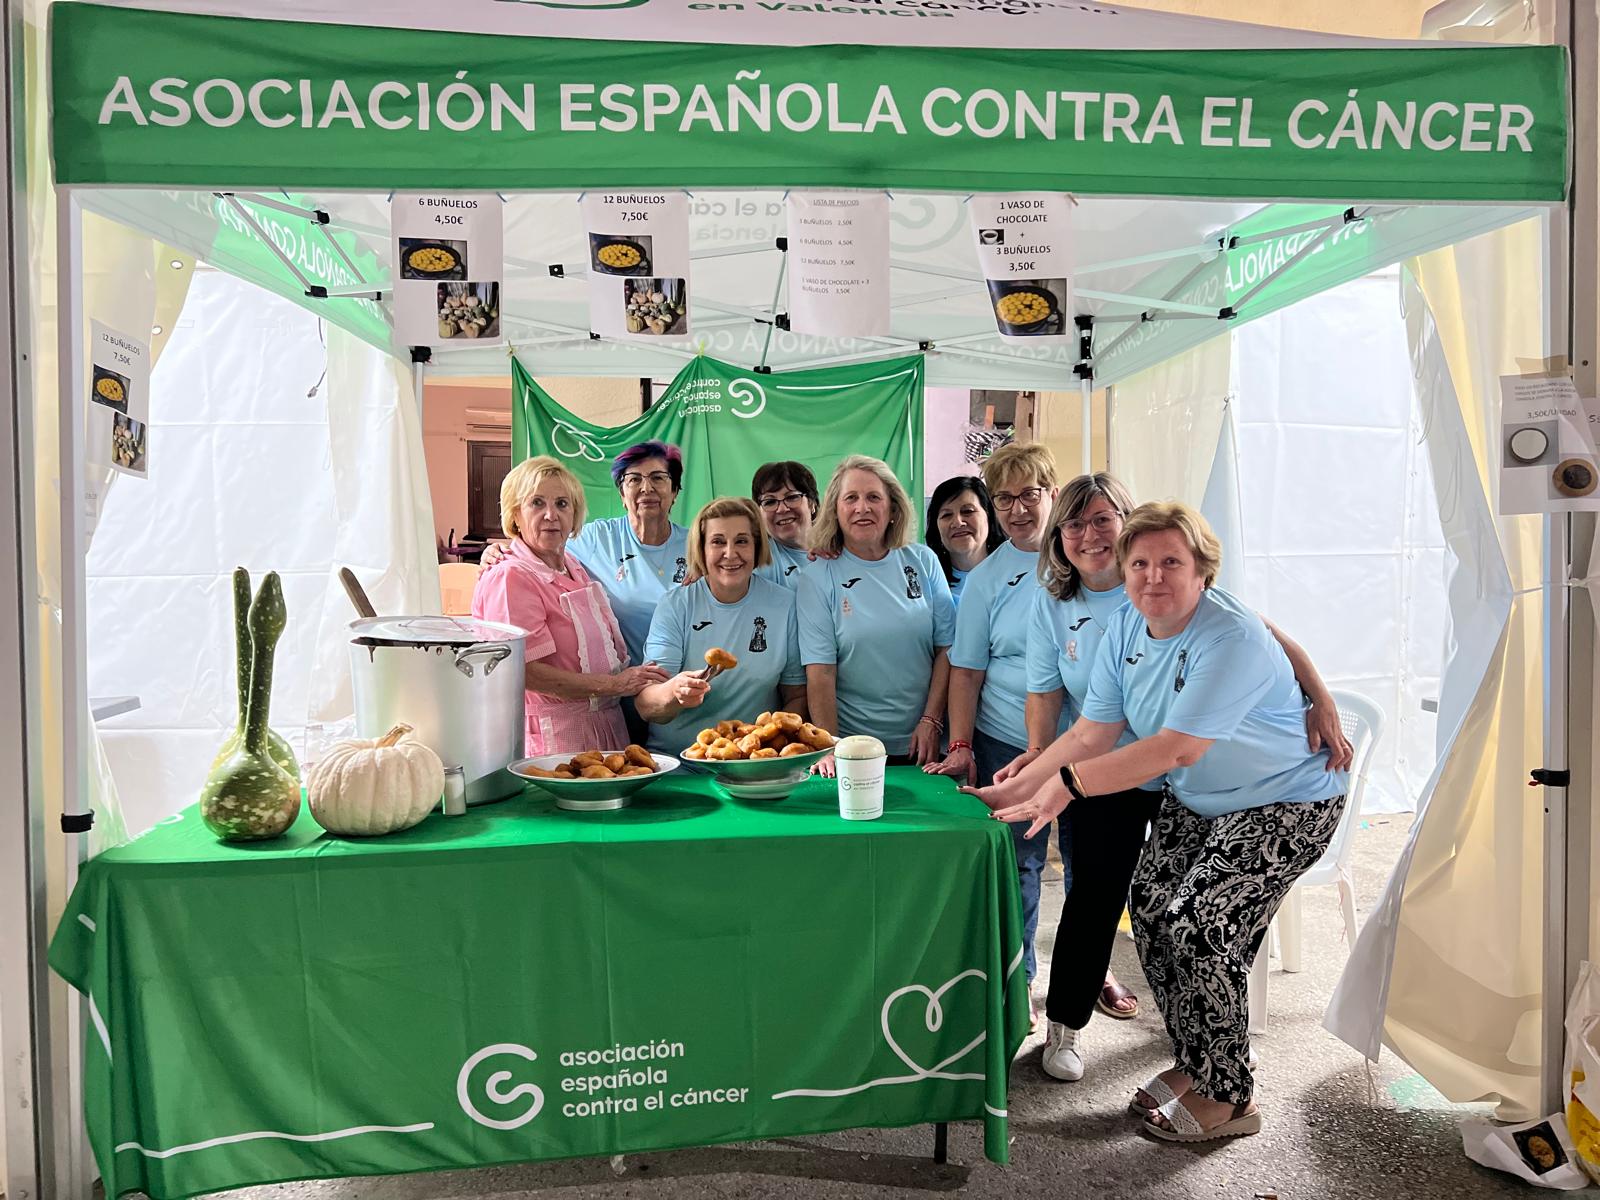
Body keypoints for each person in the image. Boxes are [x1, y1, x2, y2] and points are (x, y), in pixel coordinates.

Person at [972, 501, 1350, 1144]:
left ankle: (1229, 1096)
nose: (1153, 576)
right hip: (1203, 800)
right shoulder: (1127, 625)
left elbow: (1176, 748)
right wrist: (1022, 783)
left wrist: (1065, 787)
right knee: (1149, 912)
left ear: (1204, 570)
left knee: (1200, 924)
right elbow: (1094, 730)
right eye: (1140, 562)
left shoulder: (1227, 634)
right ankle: (1195, 1063)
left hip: (1285, 800)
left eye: (1171, 562)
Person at [926, 445, 1091, 1017]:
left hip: (1093, 745)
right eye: (1004, 498)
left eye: (1030, 494)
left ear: (1052, 492)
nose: (1017, 509)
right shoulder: (988, 577)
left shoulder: (1086, 558)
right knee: (1021, 865)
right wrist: (964, 744)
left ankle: (1085, 978)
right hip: (1009, 742)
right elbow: (966, 671)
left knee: (1085, 872)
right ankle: (1020, 978)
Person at [471, 456, 668, 755]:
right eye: (537, 503)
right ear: (515, 515)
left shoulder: (572, 566)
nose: (551, 515)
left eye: (562, 504)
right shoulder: (510, 575)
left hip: (607, 727)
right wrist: (617, 685)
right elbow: (524, 672)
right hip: (555, 738)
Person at [797, 455, 955, 774]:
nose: (862, 508)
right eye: (851, 498)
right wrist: (833, 745)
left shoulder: (923, 561)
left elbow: (947, 649)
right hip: (854, 749)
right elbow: (821, 673)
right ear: (835, 510)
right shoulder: (817, 576)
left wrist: (931, 721)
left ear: (893, 507)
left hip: (925, 745)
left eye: (874, 497)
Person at [636, 497, 807, 752]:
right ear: (701, 549)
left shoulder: (785, 605)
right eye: (717, 542)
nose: (730, 553)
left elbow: (796, 696)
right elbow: (646, 706)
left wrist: (765, 741)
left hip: (752, 762)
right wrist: (675, 692)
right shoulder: (675, 606)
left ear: (757, 546)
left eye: (741, 541)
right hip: (679, 764)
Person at [924, 475, 1005, 608]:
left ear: (989, 517)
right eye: (946, 515)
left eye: (968, 511)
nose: (957, 522)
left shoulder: (1011, 575)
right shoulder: (926, 583)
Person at [751, 461, 819, 588]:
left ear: (812, 503)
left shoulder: (840, 549)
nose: (782, 509)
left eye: (792, 497)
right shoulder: (757, 561)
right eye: (770, 502)